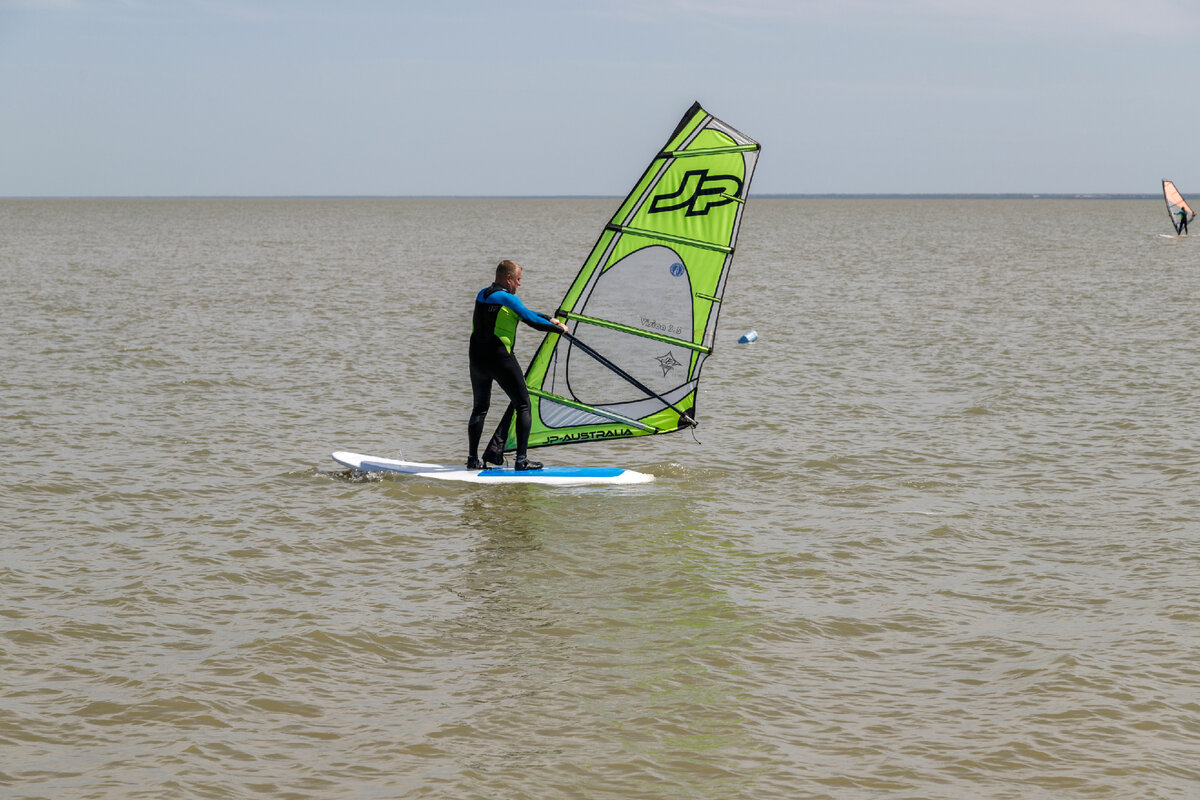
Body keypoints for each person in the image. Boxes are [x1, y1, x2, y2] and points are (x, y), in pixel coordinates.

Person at [467, 260, 566, 471]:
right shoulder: (507, 297)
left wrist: (550, 318)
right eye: (518, 279)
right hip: (499, 358)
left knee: (480, 408)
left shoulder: (481, 294)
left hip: (476, 359)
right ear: (508, 278)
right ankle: (521, 461)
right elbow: (530, 320)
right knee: (523, 404)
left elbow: (525, 312)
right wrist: (559, 329)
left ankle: (472, 459)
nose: (519, 284)